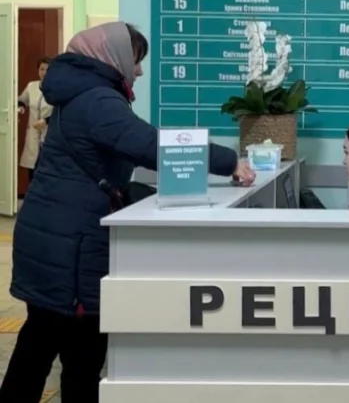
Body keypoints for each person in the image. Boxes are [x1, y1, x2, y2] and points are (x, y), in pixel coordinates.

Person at [0, 21, 256, 403]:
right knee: (79, 356)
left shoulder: (81, 92)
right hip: (72, 248)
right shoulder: (97, 100)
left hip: (53, 238)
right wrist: (228, 161)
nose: (138, 70)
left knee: (40, 343)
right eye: (135, 60)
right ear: (113, 56)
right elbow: (149, 144)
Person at [17, 57, 52, 182]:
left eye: (47, 70)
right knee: (32, 170)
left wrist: (46, 121)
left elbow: (61, 112)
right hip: (33, 134)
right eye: (42, 69)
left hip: (48, 134)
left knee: (47, 170)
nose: (44, 72)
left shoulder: (57, 89)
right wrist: (20, 107)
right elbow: (22, 100)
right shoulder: (31, 86)